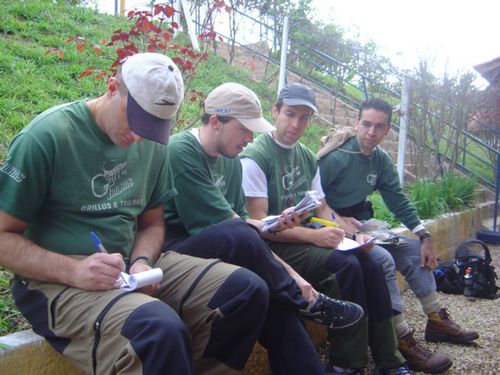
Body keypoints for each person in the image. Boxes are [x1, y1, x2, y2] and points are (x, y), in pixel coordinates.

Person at [0, 53, 277, 375]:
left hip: (128, 268)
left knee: (244, 292)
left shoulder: (152, 143)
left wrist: (142, 261)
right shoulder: (46, 137)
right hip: (55, 280)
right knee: (156, 331)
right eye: (135, 120)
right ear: (112, 87)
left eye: (153, 128)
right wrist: (74, 271)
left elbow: (152, 222)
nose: (138, 136)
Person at [162, 82, 364, 375]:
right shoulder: (182, 151)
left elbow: (242, 226)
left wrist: (275, 224)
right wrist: (294, 278)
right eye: (244, 129)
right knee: (247, 247)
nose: (249, 138)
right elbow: (231, 229)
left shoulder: (229, 161)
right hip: (175, 250)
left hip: (220, 244)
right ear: (216, 121)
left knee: (269, 297)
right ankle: (306, 301)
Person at [240, 83, 415, 375]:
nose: (296, 124)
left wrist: (349, 234)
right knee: (344, 266)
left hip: (306, 239)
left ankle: (389, 359)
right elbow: (260, 226)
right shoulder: (256, 157)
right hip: (275, 247)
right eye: (290, 114)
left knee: (369, 264)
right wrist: (315, 236)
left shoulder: (307, 156)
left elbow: (321, 207)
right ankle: (346, 364)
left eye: (305, 117)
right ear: (275, 111)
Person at [318, 97, 479, 372]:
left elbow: (397, 199)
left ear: (387, 129)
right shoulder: (338, 157)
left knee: (411, 248)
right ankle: (402, 338)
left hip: (361, 225)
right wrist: (338, 221)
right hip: (328, 227)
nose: (371, 132)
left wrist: (424, 235)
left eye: (379, 127)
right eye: (366, 124)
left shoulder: (379, 160)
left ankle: (436, 318)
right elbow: (313, 197)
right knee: (382, 259)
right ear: (357, 123)